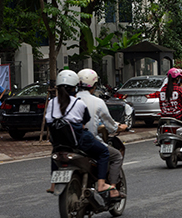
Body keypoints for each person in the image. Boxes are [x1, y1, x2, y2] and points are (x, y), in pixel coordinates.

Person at [46, 70, 112, 194]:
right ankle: (101, 184)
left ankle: (53, 185)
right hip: (79, 141)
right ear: (75, 88)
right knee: (104, 152)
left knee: (55, 154)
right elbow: (85, 121)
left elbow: (48, 121)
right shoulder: (79, 103)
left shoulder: (51, 103)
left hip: (58, 142)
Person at [77, 68, 127, 199]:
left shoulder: (69, 100)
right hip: (88, 141)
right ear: (94, 85)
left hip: (70, 142)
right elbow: (110, 125)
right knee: (116, 156)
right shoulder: (97, 102)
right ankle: (112, 189)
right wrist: (120, 127)